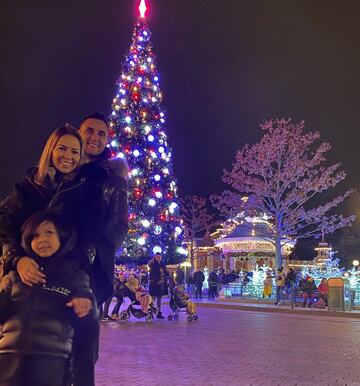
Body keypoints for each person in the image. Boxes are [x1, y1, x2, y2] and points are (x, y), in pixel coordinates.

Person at [0, 115, 128, 385]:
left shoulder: (91, 187)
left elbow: (104, 233)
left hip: (75, 278)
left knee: (73, 354)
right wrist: (17, 260)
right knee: (20, 342)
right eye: (63, 148)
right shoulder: (29, 186)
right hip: (25, 279)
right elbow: (8, 228)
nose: (68, 155)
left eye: (74, 151)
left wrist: (76, 271)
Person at [0, 211, 96, 386]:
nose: (42, 239)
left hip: (50, 361)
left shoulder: (74, 275)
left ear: (62, 237)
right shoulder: (16, 275)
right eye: (35, 236)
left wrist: (85, 305)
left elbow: (88, 321)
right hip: (9, 358)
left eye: (49, 233)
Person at [148, 252, 169, 319]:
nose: (158, 258)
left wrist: (167, 273)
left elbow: (166, 272)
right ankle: (150, 313)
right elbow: (152, 275)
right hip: (154, 284)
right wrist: (154, 281)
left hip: (161, 285)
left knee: (159, 299)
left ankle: (159, 313)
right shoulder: (153, 264)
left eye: (159, 257)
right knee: (153, 299)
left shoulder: (162, 264)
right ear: (154, 257)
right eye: (157, 257)